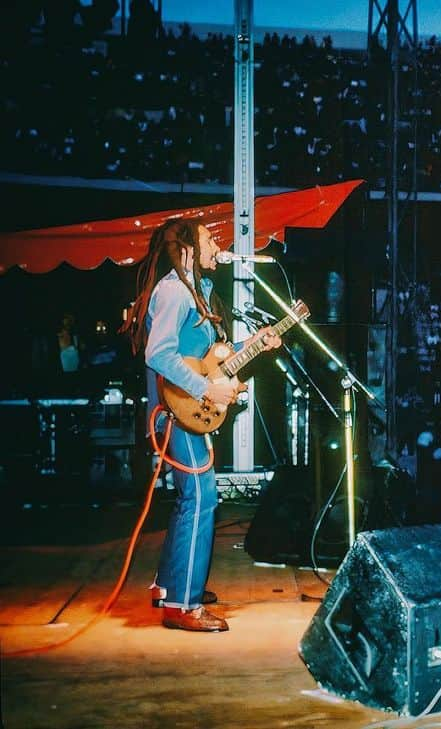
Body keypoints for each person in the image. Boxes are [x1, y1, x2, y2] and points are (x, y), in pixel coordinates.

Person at [121, 218, 280, 631]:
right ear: (188, 248)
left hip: (184, 409)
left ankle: (169, 585)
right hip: (177, 412)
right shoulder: (174, 290)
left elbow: (210, 358)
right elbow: (159, 355)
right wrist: (207, 392)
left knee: (189, 499)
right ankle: (184, 605)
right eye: (210, 239)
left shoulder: (199, 293)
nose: (217, 246)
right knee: (203, 498)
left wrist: (255, 343)